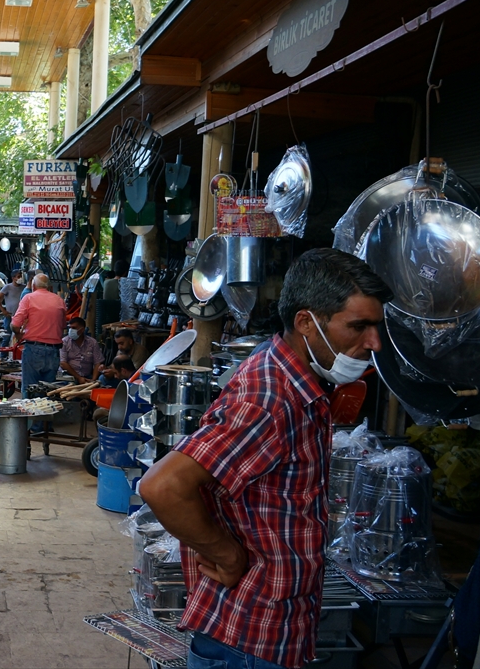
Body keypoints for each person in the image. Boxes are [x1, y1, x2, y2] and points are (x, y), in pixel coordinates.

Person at [138, 248, 391, 669]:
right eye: (359, 327)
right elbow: (162, 487)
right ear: (307, 323)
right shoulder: (272, 398)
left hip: (266, 629)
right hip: (248, 638)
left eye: (376, 327)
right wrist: (227, 555)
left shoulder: (296, 377)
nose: (374, 343)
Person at [10, 274, 67, 398]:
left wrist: (18, 334)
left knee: (30, 389)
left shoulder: (29, 298)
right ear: (49, 287)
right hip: (54, 351)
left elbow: (15, 324)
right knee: (47, 391)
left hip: (34, 349)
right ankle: (43, 417)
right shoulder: (59, 300)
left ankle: (31, 417)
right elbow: (63, 325)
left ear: (34, 286)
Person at [60, 316, 103, 384]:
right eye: (70, 328)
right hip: (69, 377)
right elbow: (63, 363)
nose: (71, 330)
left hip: (88, 376)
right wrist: (79, 378)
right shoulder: (64, 342)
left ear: (82, 329)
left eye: (74, 328)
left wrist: (93, 380)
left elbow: (97, 362)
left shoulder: (92, 342)